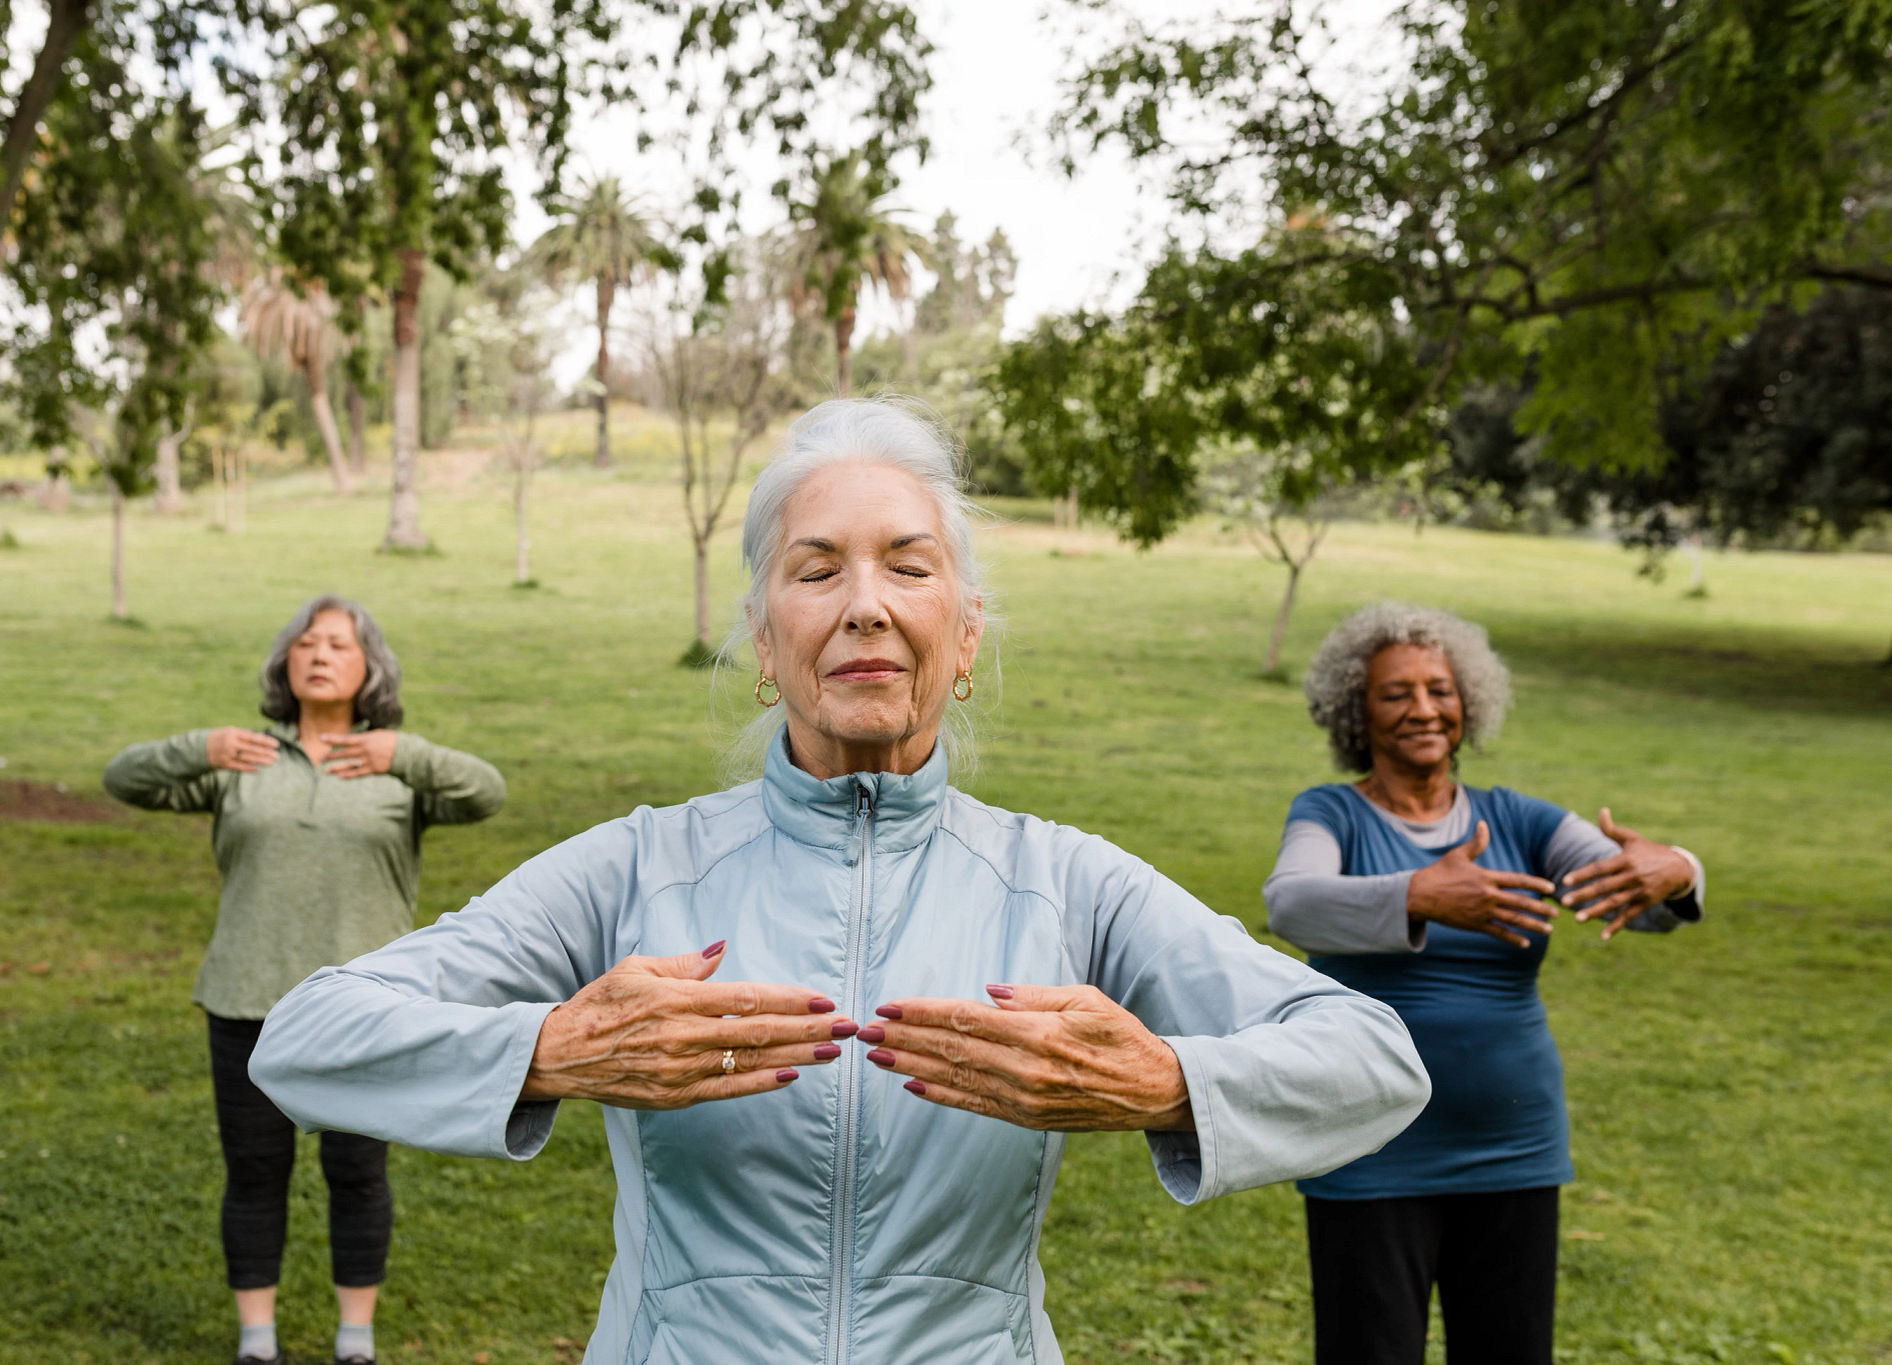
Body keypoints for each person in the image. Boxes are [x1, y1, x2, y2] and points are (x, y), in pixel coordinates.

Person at [247, 399, 1432, 1365]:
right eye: (817, 571)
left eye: (907, 568)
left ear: (962, 637)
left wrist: (1165, 1080)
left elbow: (1372, 1061)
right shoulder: (637, 865)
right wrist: (554, 1052)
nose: (864, 602)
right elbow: (304, 1037)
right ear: (765, 644)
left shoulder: (1060, 881)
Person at [1263, 603, 1706, 1365]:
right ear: (1355, 711)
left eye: (1440, 688)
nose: (1424, 708)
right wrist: (1417, 894)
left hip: (1513, 1144)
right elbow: (1291, 902)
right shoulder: (1330, 812)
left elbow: (1641, 902)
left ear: (1468, 701)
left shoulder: (1521, 821)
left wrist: (1679, 869)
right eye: (1395, 693)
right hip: (1370, 1141)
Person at [103, 596, 506, 1365]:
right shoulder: (243, 760)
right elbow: (123, 778)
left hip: (365, 1009)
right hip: (246, 997)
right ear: (285, 663)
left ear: (368, 669)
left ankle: (355, 1340)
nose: (320, 653)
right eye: (306, 642)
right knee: (254, 1172)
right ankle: (258, 1342)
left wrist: (402, 755)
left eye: (339, 644)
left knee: (357, 1170)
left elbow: (485, 791)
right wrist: (204, 745)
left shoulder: (391, 764)